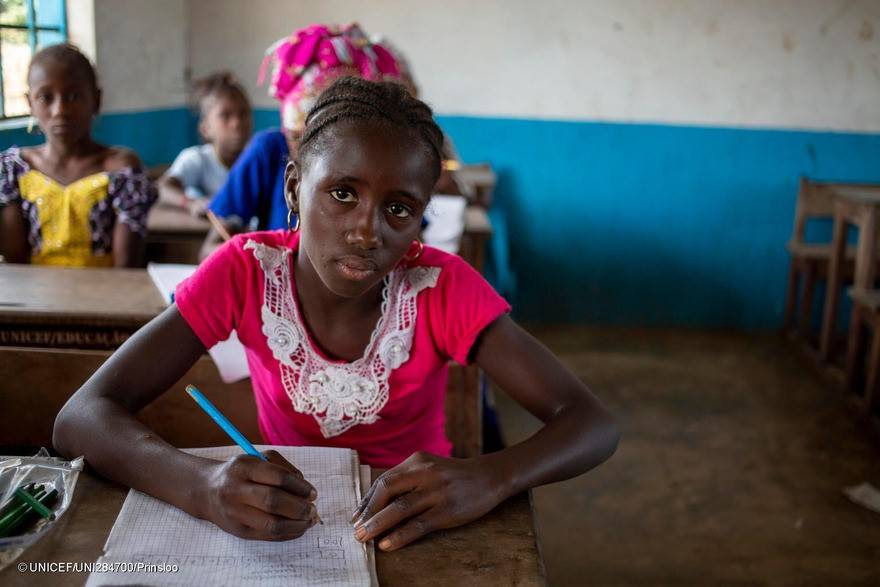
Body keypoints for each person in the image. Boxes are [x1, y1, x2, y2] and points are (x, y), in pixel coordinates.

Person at [54, 78, 618, 551]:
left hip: (418, 525)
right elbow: (81, 417)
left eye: (399, 209)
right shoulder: (246, 273)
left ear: (423, 214)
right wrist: (200, 486)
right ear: (296, 187)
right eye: (342, 194)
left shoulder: (439, 286)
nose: (368, 231)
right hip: (290, 527)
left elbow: (590, 422)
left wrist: (493, 475)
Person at [200, 23, 400, 259]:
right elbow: (210, 250)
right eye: (296, 138)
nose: (307, 154)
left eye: (327, 141)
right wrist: (261, 261)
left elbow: (411, 251)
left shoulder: (385, 160)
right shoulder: (271, 150)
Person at [0, 44, 155, 267]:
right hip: (33, 297)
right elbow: (15, 261)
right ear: (30, 104)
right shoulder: (13, 170)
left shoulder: (121, 169)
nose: (60, 110)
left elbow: (126, 267)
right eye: (46, 97)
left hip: (106, 296)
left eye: (74, 96)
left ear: (96, 99)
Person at [157, 72, 252, 217]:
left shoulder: (256, 161)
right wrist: (190, 203)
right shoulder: (197, 158)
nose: (237, 123)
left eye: (243, 114)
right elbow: (163, 188)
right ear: (205, 128)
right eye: (225, 116)